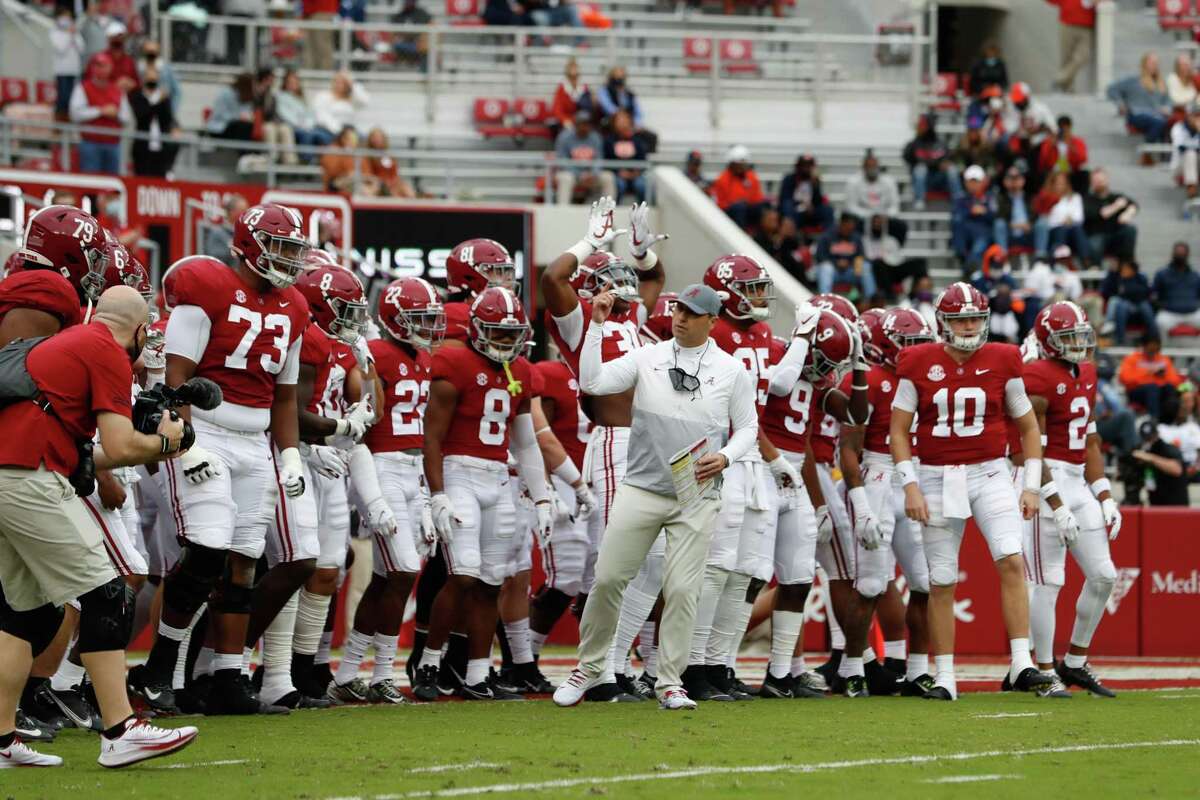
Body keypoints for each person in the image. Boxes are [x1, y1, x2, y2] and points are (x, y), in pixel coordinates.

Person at [0, 285, 199, 768]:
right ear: (138, 329)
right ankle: (119, 730)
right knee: (107, 592)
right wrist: (168, 442)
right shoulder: (103, 348)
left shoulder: (70, 345)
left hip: (14, 469)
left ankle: (1, 738)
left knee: (30, 614)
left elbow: (93, 452)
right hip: (29, 474)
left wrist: (162, 445)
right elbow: (125, 445)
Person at [127, 204, 314, 716]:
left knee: (243, 565)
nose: (290, 260)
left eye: (295, 249)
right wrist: (188, 443)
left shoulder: (295, 305)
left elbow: (284, 395)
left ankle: (227, 676)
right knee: (206, 552)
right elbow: (176, 379)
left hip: (256, 442)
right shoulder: (205, 286)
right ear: (249, 245)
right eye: (281, 247)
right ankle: (159, 671)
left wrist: (291, 454)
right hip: (204, 429)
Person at [552, 282, 759, 711]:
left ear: (712, 321)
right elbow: (592, 380)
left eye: (692, 312)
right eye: (678, 309)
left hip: (696, 495)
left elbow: (749, 428)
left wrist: (725, 456)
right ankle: (588, 667)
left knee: (683, 590)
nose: (680, 318)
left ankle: (669, 681)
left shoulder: (731, 369)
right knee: (608, 578)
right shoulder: (649, 356)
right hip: (643, 486)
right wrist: (596, 324)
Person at [889, 282, 1052, 701]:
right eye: (960, 318)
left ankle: (1021, 663)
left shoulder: (1003, 358)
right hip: (936, 476)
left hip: (990, 472)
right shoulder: (918, 361)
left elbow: (1029, 426)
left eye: (975, 317)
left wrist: (1031, 486)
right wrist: (910, 485)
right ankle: (944, 675)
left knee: (1012, 559)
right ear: (943, 322)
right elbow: (899, 430)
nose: (968, 325)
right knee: (941, 581)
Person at [538, 199, 668, 702]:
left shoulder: (631, 315)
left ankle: (611, 664)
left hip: (649, 441)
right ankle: (598, 668)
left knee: (654, 562)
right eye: (611, 276)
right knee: (621, 559)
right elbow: (553, 277)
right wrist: (590, 241)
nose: (625, 286)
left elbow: (653, 281)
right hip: (614, 444)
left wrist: (640, 252)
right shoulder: (578, 322)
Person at [419, 287, 551, 700]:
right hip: (460, 472)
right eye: (499, 333)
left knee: (492, 581)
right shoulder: (454, 362)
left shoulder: (522, 372)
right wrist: (436, 493)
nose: (507, 343)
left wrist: (543, 495)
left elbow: (526, 443)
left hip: (498, 477)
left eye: (513, 335)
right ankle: (427, 664)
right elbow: (433, 437)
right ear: (477, 329)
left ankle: (477, 673)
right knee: (463, 574)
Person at [1023, 301, 1121, 697]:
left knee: (1104, 575)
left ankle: (1075, 662)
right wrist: (1056, 504)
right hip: (1045, 480)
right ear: (1048, 341)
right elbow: (1033, 451)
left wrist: (1105, 495)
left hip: (1079, 479)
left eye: (1082, 336)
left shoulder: (1088, 372)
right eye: (1069, 337)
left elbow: (1092, 439)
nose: (1078, 345)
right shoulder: (1037, 377)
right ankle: (1044, 671)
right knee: (1049, 583)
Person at [836, 307, 936, 698]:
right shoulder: (870, 380)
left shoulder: (929, 379)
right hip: (877, 478)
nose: (917, 352)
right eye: (909, 344)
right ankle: (852, 666)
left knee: (928, 581)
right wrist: (860, 505)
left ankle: (916, 670)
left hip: (915, 478)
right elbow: (849, 448)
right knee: (872, 584)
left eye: (921, 344)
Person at [70, 53, 133, 175]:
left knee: (112, 183)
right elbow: (75, 113)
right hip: (90, 143)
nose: (100, 69)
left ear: (110, 68)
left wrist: (115, 114)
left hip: (113, 144)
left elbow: (126, 117)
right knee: (91, 181)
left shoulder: (117, 90)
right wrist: (100, 111)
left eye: (103, 66)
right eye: (97, 65)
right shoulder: (83, 87)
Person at [128, 66, 181, 178]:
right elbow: (142, 116)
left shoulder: (164, 98)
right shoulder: (137, 96)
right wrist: (155, 101)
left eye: (154, 79)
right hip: (142, 148)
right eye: (149, 79)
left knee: (159, 179)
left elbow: (168, 118)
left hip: (161, 149)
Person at [1106, 53, 1171, 143]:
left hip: (1156, 114)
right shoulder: (1133, 80)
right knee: (1159, 123)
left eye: (1156, 63)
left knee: (1168, 124)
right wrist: (1120, 104)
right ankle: (1146, 153)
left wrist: (1167, 108)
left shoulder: (1161, 83)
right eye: (1151, 63)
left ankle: (1158, 155)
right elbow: (1112, 89)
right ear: (1144, 64)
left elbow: (1168, 101)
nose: (1154, 66)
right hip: (1137, 114)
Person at [845, 150, 907, 244]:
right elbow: (851, 207)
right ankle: (858, 252)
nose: (872, 169)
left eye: (874, 166)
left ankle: (895, 252)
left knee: (901, 226)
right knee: (851, 225)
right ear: (863, 168)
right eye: (869, 166)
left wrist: (884, 216)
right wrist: (871, 216)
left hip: (884, 217)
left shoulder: (889, 181)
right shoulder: (853, 182)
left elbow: (895, 206)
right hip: (863, 217)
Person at [554, 111, 615, 205]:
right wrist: (580, 175)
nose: (584, 126)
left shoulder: (595, 137)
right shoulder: (564, 137)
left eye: (587, 124)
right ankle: (563, 211)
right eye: (581, 123)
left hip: (591, 175)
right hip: (571, 173)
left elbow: (599, 158)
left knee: (608, 177)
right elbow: (563, 162)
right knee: (566, 178)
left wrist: (593, 173)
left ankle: (608, 212)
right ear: (576, 124)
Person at [903, 114, 961, 210]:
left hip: (940, 180)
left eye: (923, 125)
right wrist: (936, 163)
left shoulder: (940, 143)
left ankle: (958, 198)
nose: (920, 127)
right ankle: (919, 199)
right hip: (924, 181)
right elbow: (907, 157)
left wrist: (940, 163)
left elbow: (948, 160)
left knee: (951, 168)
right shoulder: (914, 144)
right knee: (920, 169)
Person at [1118, 335, 1183, 420]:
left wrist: (1164, 375)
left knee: (1170, 389)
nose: (1154, 353)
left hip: (1159, 390)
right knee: (1152, 388)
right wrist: (1148, 373)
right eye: (1151, 350)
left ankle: (1171, 420)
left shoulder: (1163, 359)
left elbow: (1176, 381)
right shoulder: (1133, 359)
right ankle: (1154, 420)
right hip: (1137, 392)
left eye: (1157, 350)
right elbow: (1125, 378)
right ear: (1144, 347)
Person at [275, 69, 334, 158]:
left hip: (309, 126)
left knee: (326, 134)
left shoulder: (302, 99)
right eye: (290, 82)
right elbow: (286, 115)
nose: (293, 84)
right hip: (294, 127)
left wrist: (309, 124)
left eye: (295, 82)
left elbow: (311, 114)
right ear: (285, 83)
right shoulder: (281, 97)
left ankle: (328, 159)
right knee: (308, 135)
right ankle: (307, 161)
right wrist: (303, 125)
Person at [815, 212, 874, 301]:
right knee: (826, 268)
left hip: (849, 271)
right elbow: (820, 256)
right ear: (841, 224)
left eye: (851, 228)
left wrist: (850, 263)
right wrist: (836, 262)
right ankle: (824, 300)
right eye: (847, 227)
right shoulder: (827, 236)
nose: (849, 230)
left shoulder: (856, 237)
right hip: (833, 272)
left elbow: (860, 256)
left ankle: (871, 300)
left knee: (865, 265)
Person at [1083, 169, 1137, 263]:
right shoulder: (1087, 199)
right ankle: (1095, 268)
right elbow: (1103, 214)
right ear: (1091, 183)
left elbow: (1133, 205)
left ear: (1107, 180)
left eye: (1102, 180)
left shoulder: (1115, 197)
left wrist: (1127, 214)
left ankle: (1127, 264)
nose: (1100, 183)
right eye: (1096, 180)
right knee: (1096, 243)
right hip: (1096, 234)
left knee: (1130, 229)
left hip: (1115, 236)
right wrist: (1117, 206)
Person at [709, 145, 768, 230]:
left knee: (763, 208)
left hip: (747, 210)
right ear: (732, 164)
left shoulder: (751, 177)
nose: (742, 167)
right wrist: (737, 203)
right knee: (739, 208)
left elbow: (757, 199)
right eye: (740, 164)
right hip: (729, 212)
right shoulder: (722, 179)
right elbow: (720, 204)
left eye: (744, 164)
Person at [1101, 260, 1157, 345]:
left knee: (1146, 307)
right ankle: (1120, 340)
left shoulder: (1141, 278)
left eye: (1126, 269)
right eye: (1123, 268)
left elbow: (1145, 292)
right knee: (1121, 305)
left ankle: (1153, 338)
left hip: (1139, 306)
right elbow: (1107, 292)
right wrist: (1112, 273)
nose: (1124, 270)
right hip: (1125, 308)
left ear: (1133, 270)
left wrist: (1127, 292)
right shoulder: (1118, 277)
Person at [951, 165, 995, 273]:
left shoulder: (990, 197)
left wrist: (984, 212)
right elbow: (956, 215)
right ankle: (964, 259)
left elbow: (994, 216)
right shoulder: (960, 197)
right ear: (965, 182)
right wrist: (971, 211)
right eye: (971, 181)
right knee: (957, 222)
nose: (973, 185)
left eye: (976, 181)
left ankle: (968, 267)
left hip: (982, 231)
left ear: (982, 182)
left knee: (979, 246)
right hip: (965, 230)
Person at [1133, 419, 1188, 505]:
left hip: (1175, 506)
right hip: (1157, 504)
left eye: (1151, 438)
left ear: (1157, 434)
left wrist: (1151, 458)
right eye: (1146, 439)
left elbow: (1177, 470)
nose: (1149, 442)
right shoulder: (1144, 452)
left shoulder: (1167, 449)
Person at [777, 153, 833, 236]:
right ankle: (791, 236)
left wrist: (815, 186)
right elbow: (784, 198)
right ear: (798, 166)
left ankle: (828, 237)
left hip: (811, 211)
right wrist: (801, 205)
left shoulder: (814, 180)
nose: (806, 168)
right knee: (787, 206)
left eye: (809, 166)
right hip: (795, 210)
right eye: (804, 165)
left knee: (828, 210)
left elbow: (818, 201)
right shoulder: (789, 179)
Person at [1048, 0, 1096, 93]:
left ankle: (1060, 78)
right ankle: (1068, 89)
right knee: (1066, 57)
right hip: (1067, 23)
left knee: (1083, 56)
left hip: (1086, 26)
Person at [753, 209, 809, 289]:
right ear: (763, 221)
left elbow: (791, 254)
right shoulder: (758, 238)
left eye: (775, 220)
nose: (774, 223)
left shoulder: (785, 240)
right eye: (771, 220)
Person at [1152, 242, 1200, 334]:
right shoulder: (1162, 274)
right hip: (1170, 313)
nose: (1180, 255)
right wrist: (1161, 305)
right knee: (1160, 322)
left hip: (1192, 313)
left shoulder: (1195, 276)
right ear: (1173, 254)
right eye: (1178, 253)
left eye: (1182, 253)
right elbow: (1154, 294)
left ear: (1187, 254)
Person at [1041, 172, 1088, 261]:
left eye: (1063, 183)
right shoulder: (1047, 197)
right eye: (1057, 183)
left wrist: (1069, 219)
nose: (1060, 186)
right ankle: (1058, 261)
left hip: (1072, 230)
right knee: (1061, 230)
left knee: (1077, 229)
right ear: (1052, 184)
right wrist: (1063, 220)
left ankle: (1086, 261)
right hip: (1054, 231)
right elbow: (1047, 219)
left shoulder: (1075, 197)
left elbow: (1079, 217)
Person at [1159, 381, 1200, 481]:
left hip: (1193, 469)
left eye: (1190, 401)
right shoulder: (1161, 428)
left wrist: (1196, 468)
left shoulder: (1194, 427)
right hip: (1171, 469)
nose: (1186, 406)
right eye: (1183, 401)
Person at [603, 110, 647, 203]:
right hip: (617, 174)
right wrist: (618, 172)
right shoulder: (609, 141)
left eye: (625, 119)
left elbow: (643, 160)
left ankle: (643, 211)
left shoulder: (637, 141)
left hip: (635, 174)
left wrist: (635, 173)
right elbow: (607, 160)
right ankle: (614, 210)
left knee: (641, 185)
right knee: (619, 184)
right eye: (620, 120)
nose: (623, 123)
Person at [50, 7, 85, 121]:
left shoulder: (75, 31)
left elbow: (82, 48)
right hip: (62, 71)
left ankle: (69, 121)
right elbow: (61, 48)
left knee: (72, 98)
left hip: (74, 70)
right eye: (64, 16)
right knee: (63, 97)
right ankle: (59, 122)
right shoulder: (54, 32)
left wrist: (74, 34)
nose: (67, 19)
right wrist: (69, 35)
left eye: (68, 16)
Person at [313, 72, 369, 141]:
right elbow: (322, 116)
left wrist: (353, 83)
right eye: (338, 82)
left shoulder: (352, 99)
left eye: (344, 83)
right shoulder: (323, 96)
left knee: (365, 139)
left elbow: (365, 101)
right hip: (328, 129)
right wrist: (340, 131)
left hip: (349, 129)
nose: (340, 85)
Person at [993, 166, 1038, 252]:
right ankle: (1002, 256)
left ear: (1023, 180)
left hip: (1028, 233)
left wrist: (1030, 224)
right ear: (1005, 181)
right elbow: (998, 216)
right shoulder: (1001, 198)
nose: (1014, 181)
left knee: (1042, 222)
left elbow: (1036, 215)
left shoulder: (1031, 197)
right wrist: (1013, 225)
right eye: (1010, 178)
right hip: (1010, 233)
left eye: (1017, 178)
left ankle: (1041, 256)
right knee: (999, 224)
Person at [363, 128, 416, 198]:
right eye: (374, 137)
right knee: (370, 189)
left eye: (379, 137)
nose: (377, 140)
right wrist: (380, 182)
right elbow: (367, 175)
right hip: (376, 184)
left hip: (390, 184)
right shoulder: (367, 156)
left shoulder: (389, 156)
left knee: (407, 190)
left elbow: (395, 174)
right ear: (370, 139)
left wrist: (393, 183)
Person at [1037, 115, 1089, 187]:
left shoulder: (1078, 142)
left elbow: (1083, 160)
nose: (1064, 131)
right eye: (1061, 128)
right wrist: (1051, 145)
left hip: (1072, 172)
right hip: (1053, 172)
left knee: (1084, 175)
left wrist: (1071, 145)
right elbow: (1042, 162)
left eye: (1066, 128)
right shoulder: (1050, 142)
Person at [205, 72, 257, 142]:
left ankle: (246, 150)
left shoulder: (246, 96)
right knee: (242, 126)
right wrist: (238, 117)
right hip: (220, 127)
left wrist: (247, 116)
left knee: (248, 126)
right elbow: (220, 114)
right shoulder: (225, 93)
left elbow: (246, 111)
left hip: (237, 126)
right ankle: (242, 150)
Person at [201, 194, 249, 266]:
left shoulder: (248, 233)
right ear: (232, 212)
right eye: (243, 211)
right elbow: (213, 260)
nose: (247, 214)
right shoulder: (217, 233)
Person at [137, 39, 181, 116]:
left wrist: (172, 112)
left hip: (163, 111)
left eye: (153, 51)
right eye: (148, 51)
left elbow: (177, 92)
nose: (151, 54)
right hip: (143, 111)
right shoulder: (139, 68)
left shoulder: (166, 69)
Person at [551, 58, 591, 138]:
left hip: (582, 121)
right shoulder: (561, 89)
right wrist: (565, 120)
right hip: (567, 122)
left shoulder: (584, 88)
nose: (574, 79)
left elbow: (588, 109)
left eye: (575, 77)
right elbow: (557, 109)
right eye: (571, 77)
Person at [390, 0, 432, 69]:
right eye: (407, 1)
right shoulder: (400, 15)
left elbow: (430, 26)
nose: (409, 2)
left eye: (411, 1)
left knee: (425, 47)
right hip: (403, 44)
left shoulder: (422, 14)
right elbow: (394, 32)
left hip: (418, 44)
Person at [1170, 104, 1200, 199]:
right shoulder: (1178, 127)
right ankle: (1191, 187)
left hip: (1197, 165)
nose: (1196, 118)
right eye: (1194, 115)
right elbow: (1181, 147)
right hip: (1180, 166)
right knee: (1190, 153)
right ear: (1188, 115)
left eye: (1198, 115)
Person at [302, 0, 338, 70]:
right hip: (313, 13)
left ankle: (324, 76)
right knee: (310, 49)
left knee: (322, 47)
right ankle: (311, 76)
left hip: (322, 11)